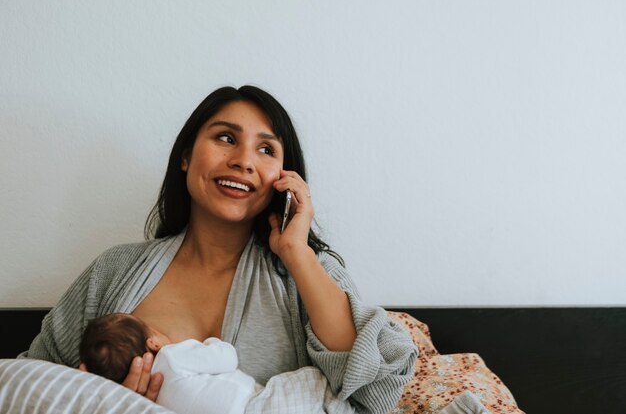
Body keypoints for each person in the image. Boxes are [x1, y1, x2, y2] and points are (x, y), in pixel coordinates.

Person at [20, 85, 418, 414]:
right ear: (186, 156)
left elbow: (374, 386)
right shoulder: (114, 270)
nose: (244, 161)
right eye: (226, 138)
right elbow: (30, 382)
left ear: (284, 176)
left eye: (266, 150)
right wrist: (102, 400)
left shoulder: (308, 270)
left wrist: (296, 251)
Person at [80, 312, 258, 414]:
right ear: (153, 343)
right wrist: (211, 343)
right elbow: (228, 358)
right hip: (252, 403)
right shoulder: (171, 356)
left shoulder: (154, 405)